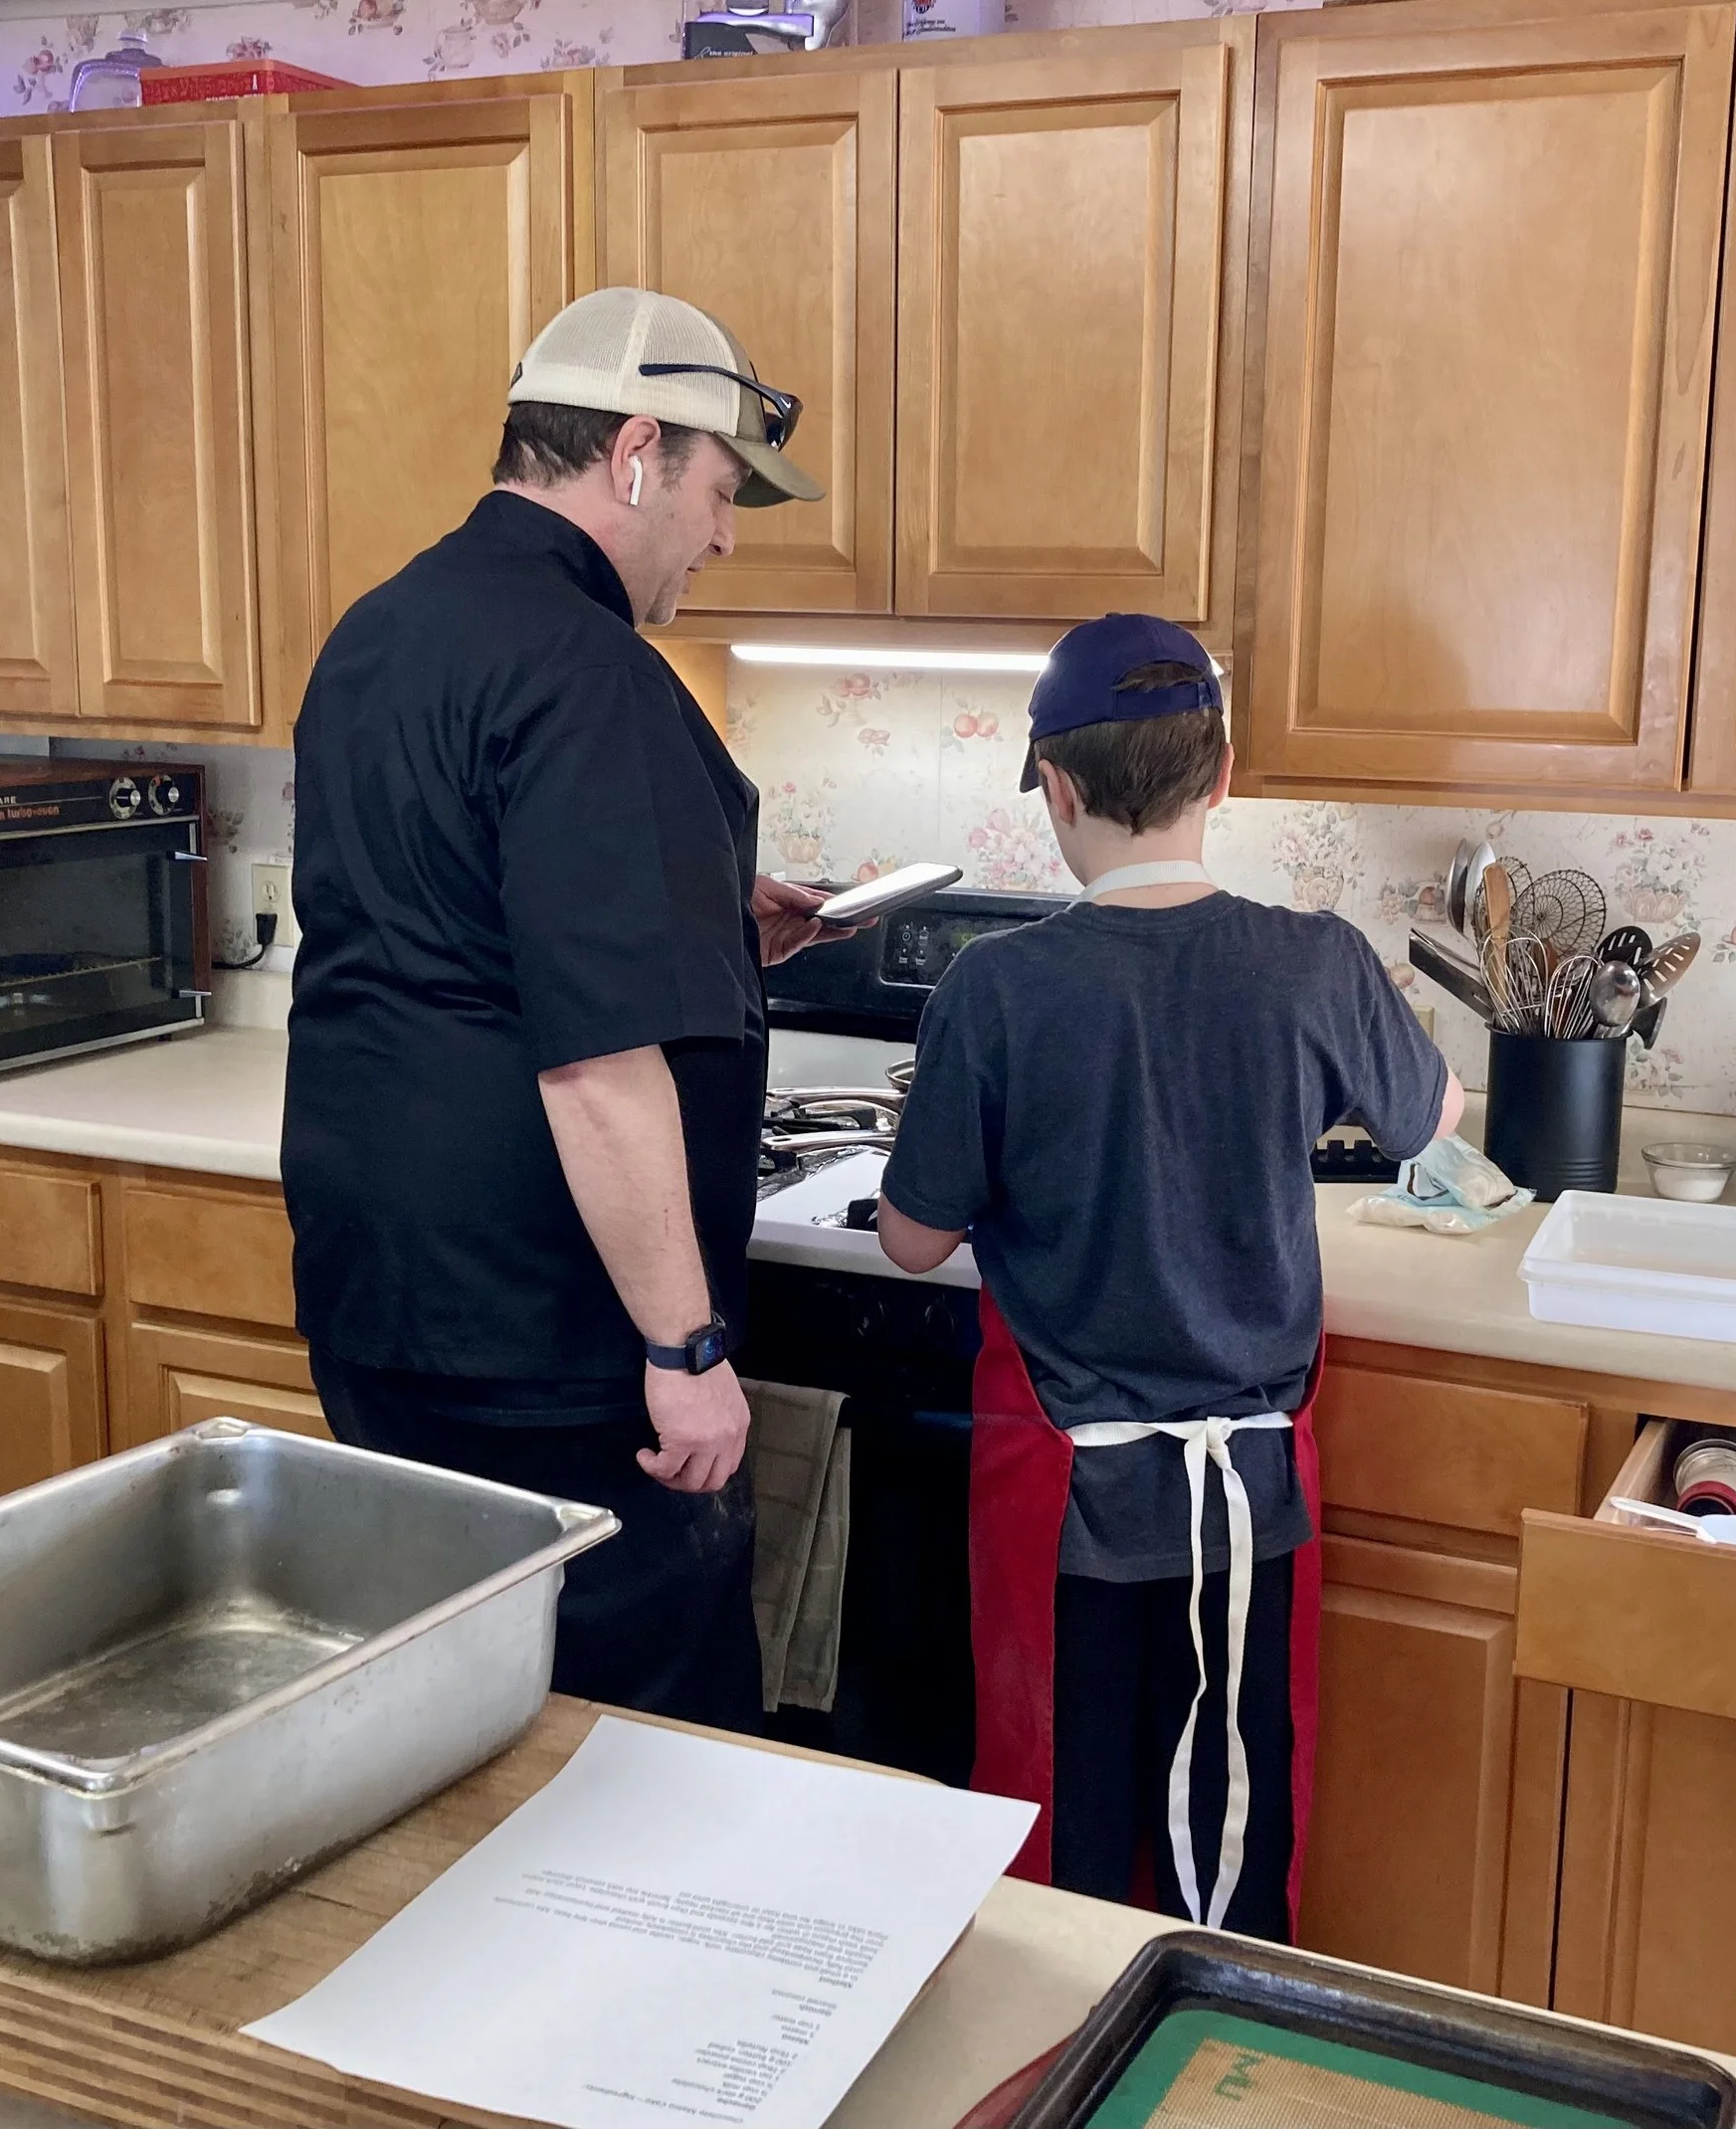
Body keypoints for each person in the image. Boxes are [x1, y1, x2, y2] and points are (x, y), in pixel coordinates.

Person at [282, 288, 835, 1733]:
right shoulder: (592, 672)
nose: (723, 536)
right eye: (721, 493)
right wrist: (687, 1351)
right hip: (547, 1336)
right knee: (631, 1746)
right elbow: (594, 1061)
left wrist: (706, 923)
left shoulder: (381, 630)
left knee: (443, 1712)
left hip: (382, 1306)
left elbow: (463, 920)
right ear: (638, 452)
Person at [874, 615, 1462, 1938]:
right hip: (1253, 1504)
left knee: (1064, 1826)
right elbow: (1435, 1120)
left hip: (1066, 1501)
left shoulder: (996, 987)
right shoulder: (1312, 959)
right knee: (1232, 1823)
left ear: (1058, 789)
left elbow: (910, 1240)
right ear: (1226, 775)